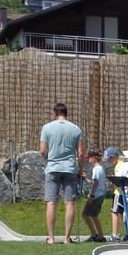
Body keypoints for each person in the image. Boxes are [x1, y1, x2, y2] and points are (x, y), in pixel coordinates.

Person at [39, 102, 84, 243]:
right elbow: (80, 153)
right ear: (66, 113)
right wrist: (80, 169)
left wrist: (48, 158)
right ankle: (66, 238)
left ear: (55, 113)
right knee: (69, 203)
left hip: (53, 168)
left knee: (51, 202)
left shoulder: (47, 127)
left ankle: (51, 238)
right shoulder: (76, 129)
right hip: (70, 168)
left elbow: (42, 150)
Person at [82, 148, 110, 243]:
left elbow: (95, 183)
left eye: (89, 158)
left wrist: (91, 195)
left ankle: (96, 235)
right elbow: (94, 182)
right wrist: (86, 178)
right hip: (100, 194)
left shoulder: (96, 169)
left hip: (96, 195)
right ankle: (99, 235)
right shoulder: (100, 169)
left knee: (86, 215)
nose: (88, 160)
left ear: (94, 158)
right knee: (93, 216)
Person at [103, 147, 125, 240]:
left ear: (114, 157)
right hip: (123, 193)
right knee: (123, 213)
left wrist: (112, 180)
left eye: (109, 159)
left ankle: (114, 234)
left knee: (114, 212)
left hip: (118, 193)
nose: (108, 161)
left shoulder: (119, 167)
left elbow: (118, 180)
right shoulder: (122, 164)